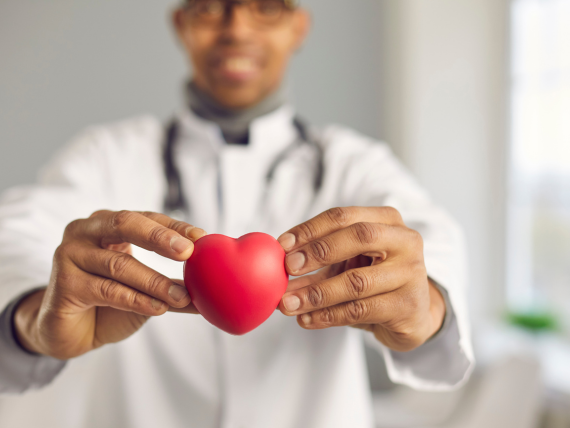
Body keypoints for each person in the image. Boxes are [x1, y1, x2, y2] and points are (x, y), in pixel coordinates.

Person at [0, 1, 474, 427]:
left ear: (299, 27)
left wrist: (425, 306)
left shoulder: (355, 164)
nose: (237, 28)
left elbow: (431, 244)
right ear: (181, 24)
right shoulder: (104, 156)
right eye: (211, 7)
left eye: (266, 6)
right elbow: (17, 236)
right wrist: (33, 320)